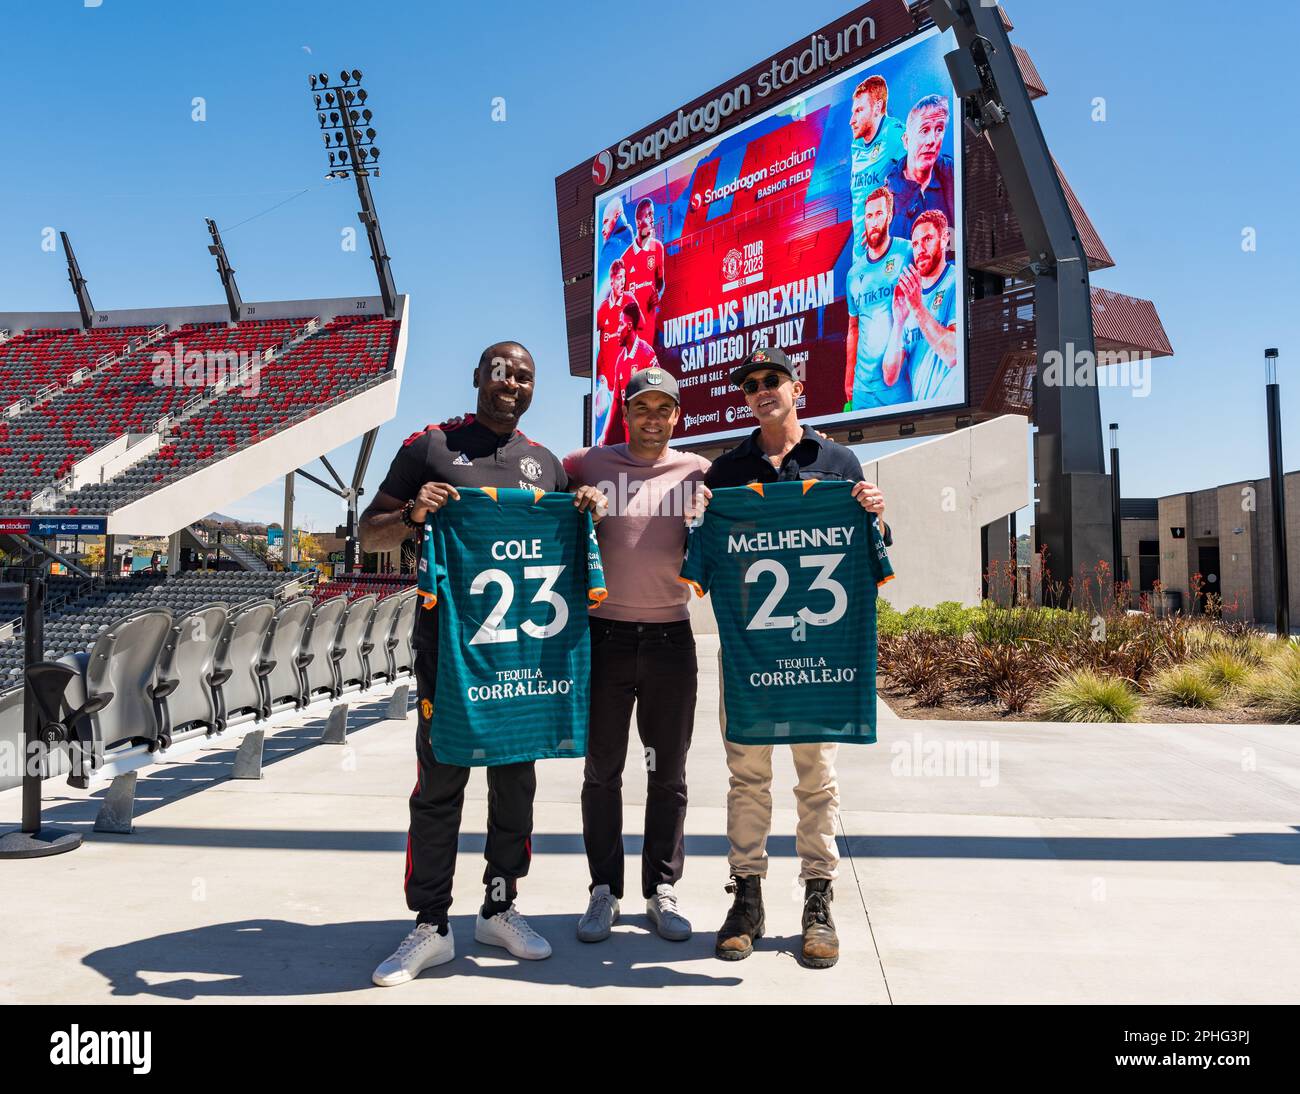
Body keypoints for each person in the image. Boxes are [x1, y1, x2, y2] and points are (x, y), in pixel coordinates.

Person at [362, 341, 604, 986]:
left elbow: (579, 542)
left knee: (515, 785)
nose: (511, 384)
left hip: (522, 656)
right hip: (450, 654)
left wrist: (588, 507)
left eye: (524, 376)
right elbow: (369, 530)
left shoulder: (546, 464)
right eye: (500, 372)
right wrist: (412, 512)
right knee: (440, 785)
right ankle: (431, 923)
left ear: (533, 387)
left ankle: (500, 908)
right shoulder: (431, 448)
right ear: (477, 376)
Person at [695, 346, 888, 970]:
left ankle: (818, 899)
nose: (761, 389)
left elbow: (871, 547)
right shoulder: (725, 472)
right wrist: (701, 522)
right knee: (746, 776)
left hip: (818, 653)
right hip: (752, 655)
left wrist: (875, 517)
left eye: (772, 379)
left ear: (796, 387)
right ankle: (746, 897)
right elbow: (702, 560)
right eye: (750, 383)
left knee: (817, 777)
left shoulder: (838, 462)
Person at [563, 367, 710, 944]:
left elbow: (751, 513)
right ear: (625, 413)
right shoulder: (588, 463)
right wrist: (573, 497)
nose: (653, 418)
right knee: (602, 771)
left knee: (667, 773)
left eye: (663, 408)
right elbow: (535, 484)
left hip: (672, 637)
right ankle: (604, 889)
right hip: (603, 638)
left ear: (677, 416)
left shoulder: (699, 470)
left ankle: (661, 889)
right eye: (642, 407)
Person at [844, 186, 913, 409]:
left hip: (898, 383)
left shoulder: (908, 252)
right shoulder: (854, 274)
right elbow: (853, 327)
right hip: (862, 388)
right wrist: (849, 375)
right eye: (869, 216)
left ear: (890, 216)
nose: (873, 222)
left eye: (879, 214)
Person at [883, 209, 959, 402]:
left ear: (944, 239)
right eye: (915, 244)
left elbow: (953, 354)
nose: (920, 249)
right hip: (923, 410)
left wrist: (917, 308)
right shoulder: (910, 296)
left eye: (927, 239)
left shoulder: (956, 280)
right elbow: (890, 376)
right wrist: (898, 323)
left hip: (954, 404)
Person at [848, 74, 907, 262]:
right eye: (853, 112)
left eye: (859, 110)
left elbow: (920, 175)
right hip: (860, 258)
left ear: (877, 107)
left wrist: (888, 215)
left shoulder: (894, 132)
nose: (852, 120)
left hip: (888, 254)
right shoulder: (856, 145)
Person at [884, 94, 954, 240]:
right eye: (924, 130)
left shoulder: (953, 177)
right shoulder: (886, 198)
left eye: (939, 129)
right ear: (906, 141)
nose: (932, 141)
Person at [599, 299, 657, 446]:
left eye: (620, 324)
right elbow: (615, 402)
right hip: (629, 443)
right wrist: (604, 434)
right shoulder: (620, 360)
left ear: (629, 326)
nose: (617, 330)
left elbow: (658, 393)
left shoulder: (646, 353)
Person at [620, 198, 667, 345]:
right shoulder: (625, 259)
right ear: (639, 222)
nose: (652, 219)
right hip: (633, 335)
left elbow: (661, 282)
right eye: (648, 215)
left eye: (653, 214)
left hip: (652, 330)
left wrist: (658, 294)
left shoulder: (657, 248)